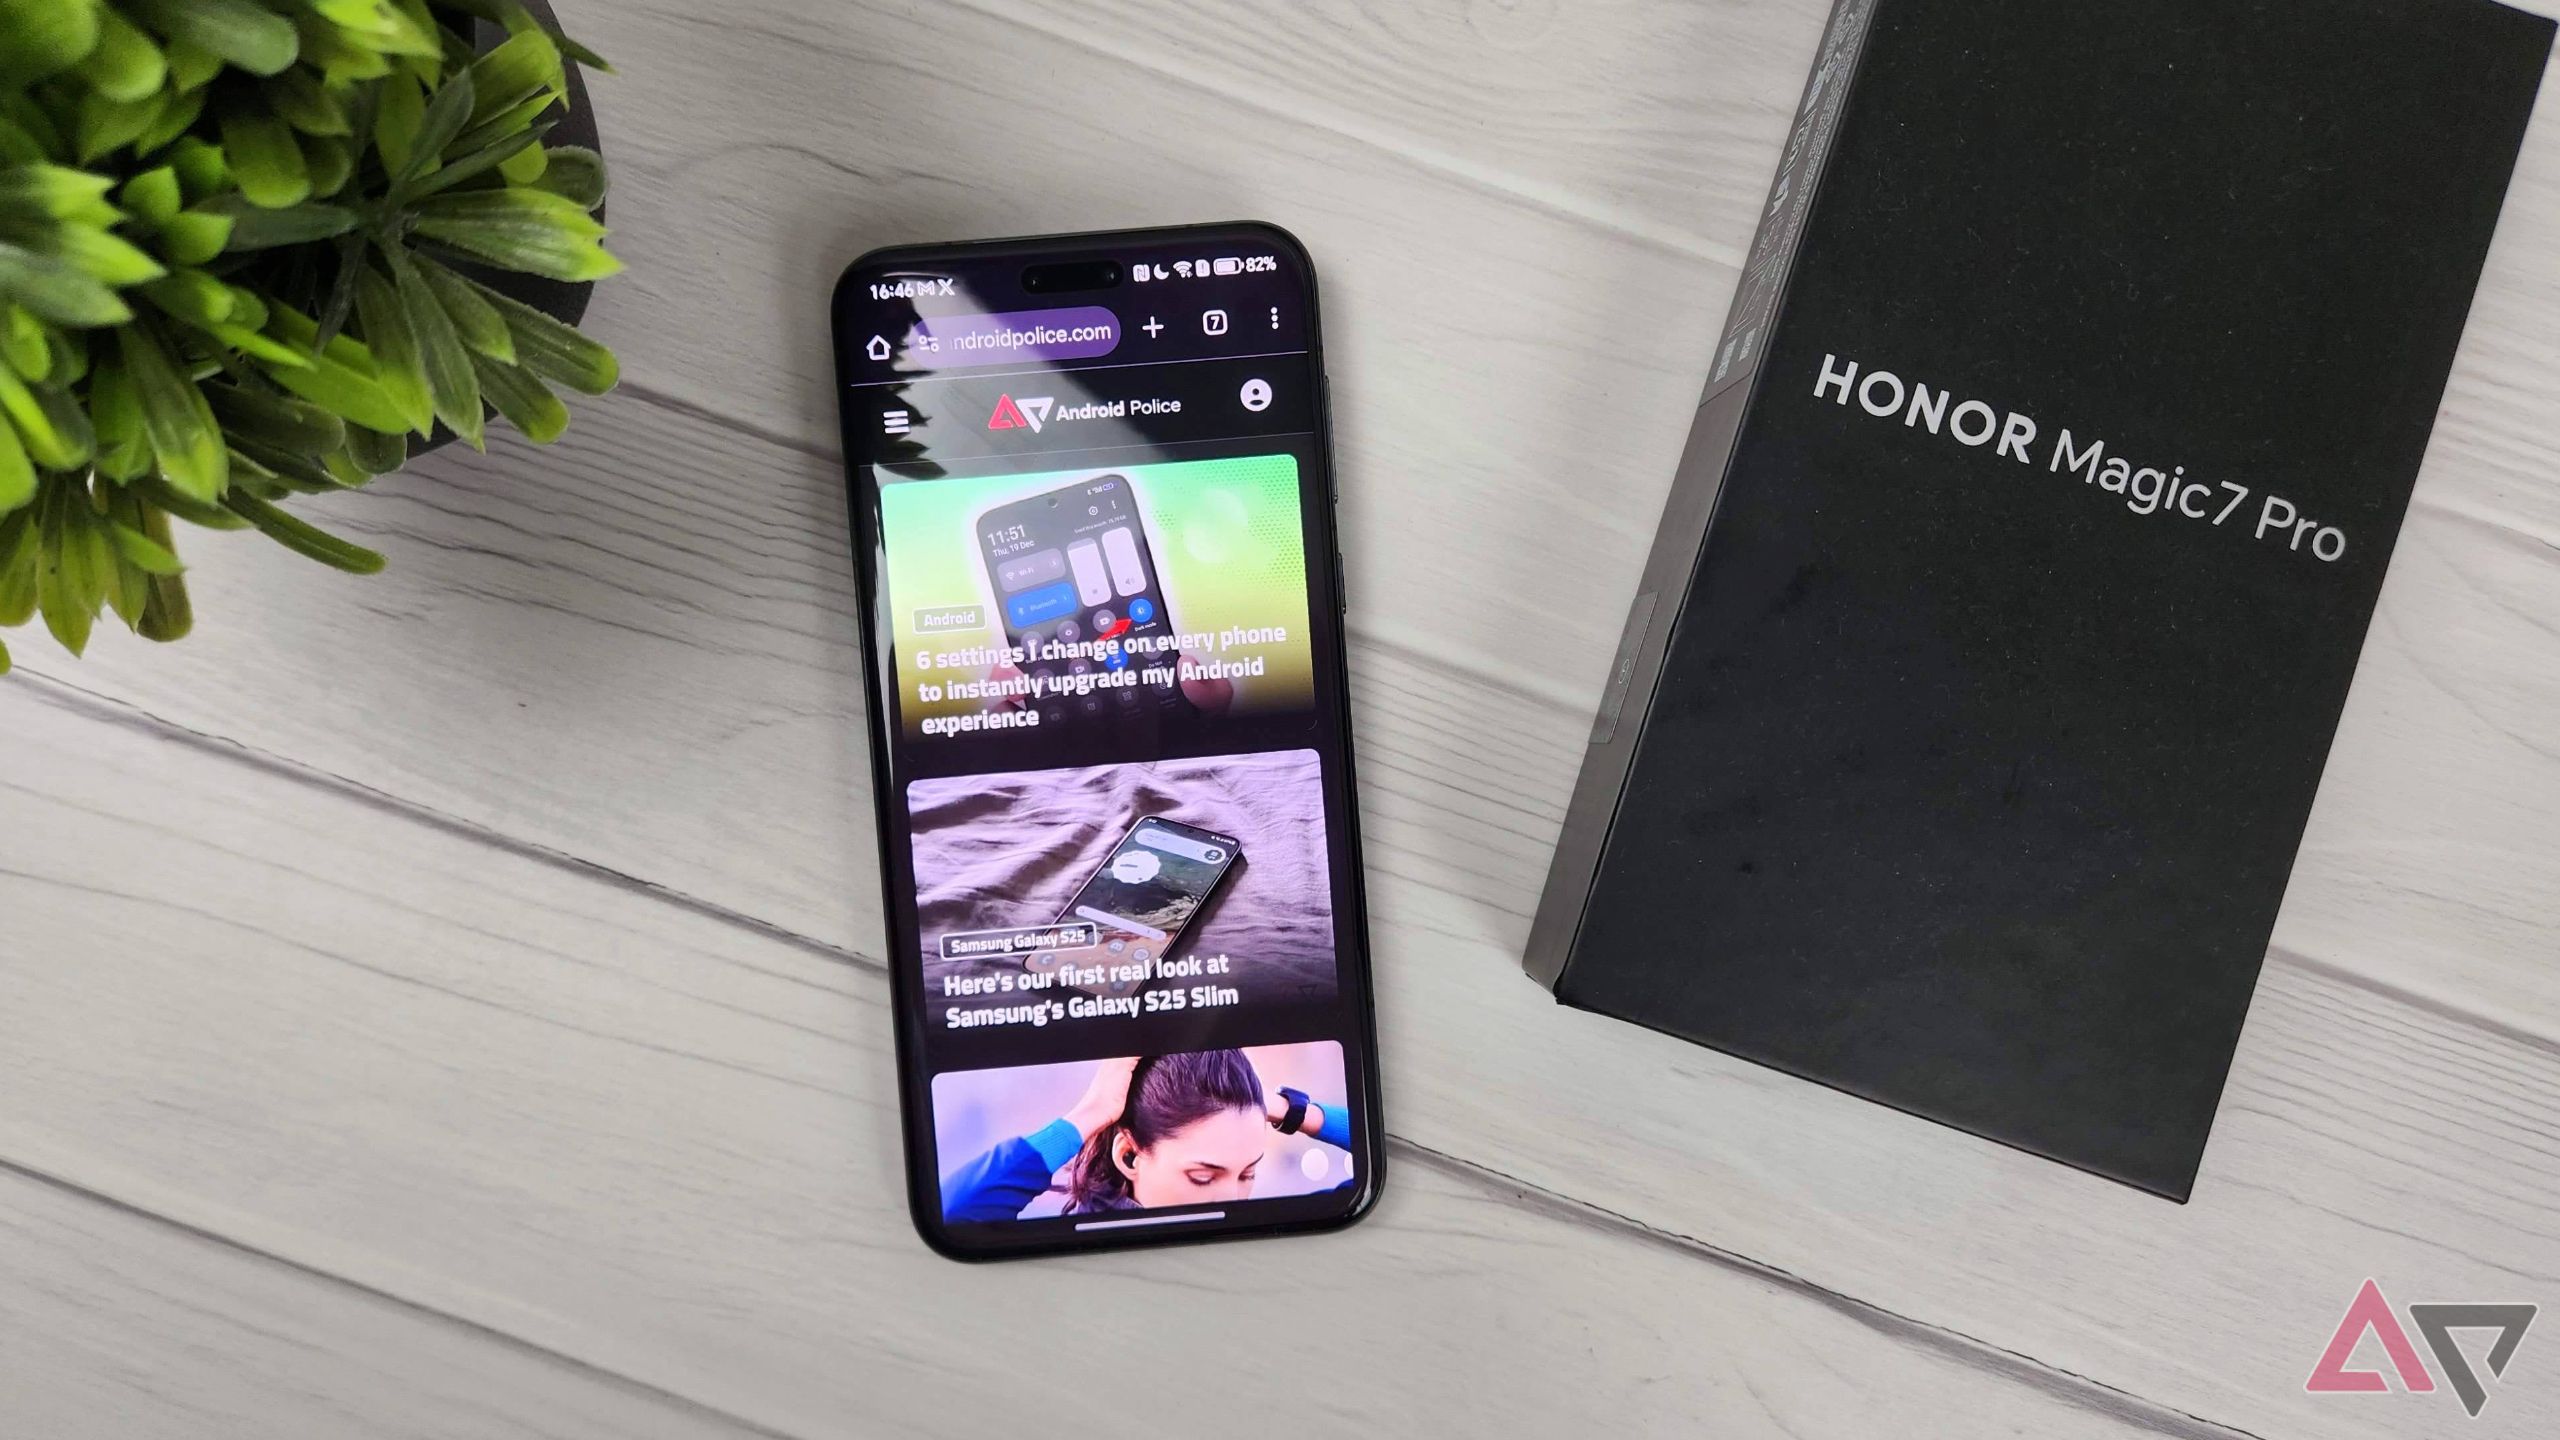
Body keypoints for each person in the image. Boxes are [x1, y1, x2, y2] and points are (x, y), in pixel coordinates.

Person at [940, 1051, 1352, 1222]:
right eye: (1203, 1177)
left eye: (1247, 1175)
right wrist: (1089, 1116)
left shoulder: (1261, 1231)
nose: (1233, 1201)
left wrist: (1290, 1110)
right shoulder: (1076, 1238)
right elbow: (955, 1213)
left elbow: (1373, 1147)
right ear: (1130, 1157)